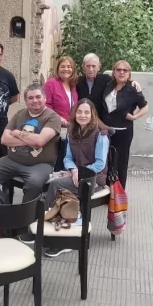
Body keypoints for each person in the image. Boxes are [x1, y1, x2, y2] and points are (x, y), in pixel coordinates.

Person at [0, 83, 62, 241]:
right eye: (30, 98)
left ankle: (24, 225)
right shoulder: (20, 114)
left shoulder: (52, 117)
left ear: (45, 98)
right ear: (26, 101)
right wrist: (29, 140)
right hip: (12, 160)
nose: (35, 101)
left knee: (34, 183)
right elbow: (4, 139)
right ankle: (3, 214)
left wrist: (17, 134)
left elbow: (41, 141)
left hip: (41, 164)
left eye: (38, 97)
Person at [43, 99, 110, 257]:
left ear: (93, 114)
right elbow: (67, 158)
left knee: (55, 186)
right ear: (74, 114)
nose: (83, 115)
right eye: (79, 112)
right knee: (48, 184)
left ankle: (60, 239)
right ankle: (53, 230)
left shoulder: (101, 133)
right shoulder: (73, 130)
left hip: (95, 178)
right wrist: (74, 171)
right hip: (77, 175)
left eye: (87, 112)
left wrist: (82, 172)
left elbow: (100, 163)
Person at [101, 60, 149, 189]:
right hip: (106, 130)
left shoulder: (132, 89)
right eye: (118, 70)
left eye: (125, 70)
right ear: (114, 72)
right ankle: (105, 191)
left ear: (129, 73)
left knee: (120, 161)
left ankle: (119, 192)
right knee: (105, 159)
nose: (121, 72)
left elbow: (145, 107)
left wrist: (134, 117)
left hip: (123, 131)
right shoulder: (108, 85)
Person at [77, 53, 142, 114]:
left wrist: (131, 82)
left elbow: (119, 79)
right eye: (88, 66)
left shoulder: (106, 79)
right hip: (83, 119)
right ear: (83, 67)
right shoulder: (77, 81)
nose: (91, 69)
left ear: (99, 67)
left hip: (101, 121)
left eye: (93, 66)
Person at [43, 56, 78, 126]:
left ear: (73, 69)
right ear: (58, 69)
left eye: (69, 66)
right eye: (62, 66)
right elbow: (45, 105)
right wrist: (58, 118)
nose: (66, 69)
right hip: (54, 125)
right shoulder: (51, 83)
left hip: (71, 127)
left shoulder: (73, 86)